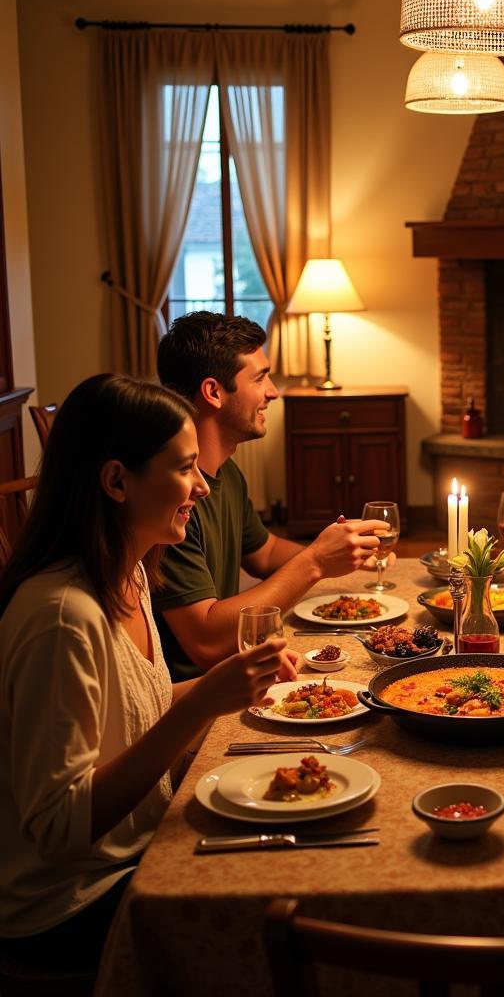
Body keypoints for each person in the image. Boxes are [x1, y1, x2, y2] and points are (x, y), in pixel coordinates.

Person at [0, 374, 288, 973]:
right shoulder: (62, 616)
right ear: (116, 481)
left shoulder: (128, 577)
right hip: (70, 908)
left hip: (134, 852)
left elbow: (135, 706)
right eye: (185, 469)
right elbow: (59, 829)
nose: (203, 488)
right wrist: (201, 703)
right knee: (282, 917)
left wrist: (232, 682)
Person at [154, 311, 390, 680]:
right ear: (213, 392)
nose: (273, 392)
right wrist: (314, 562)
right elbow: (205, 642)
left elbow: (262, 553)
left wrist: (341, 550)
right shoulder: (171, 496)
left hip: (236, 667)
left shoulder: (226, 472)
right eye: (260, 378)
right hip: (196, 693)